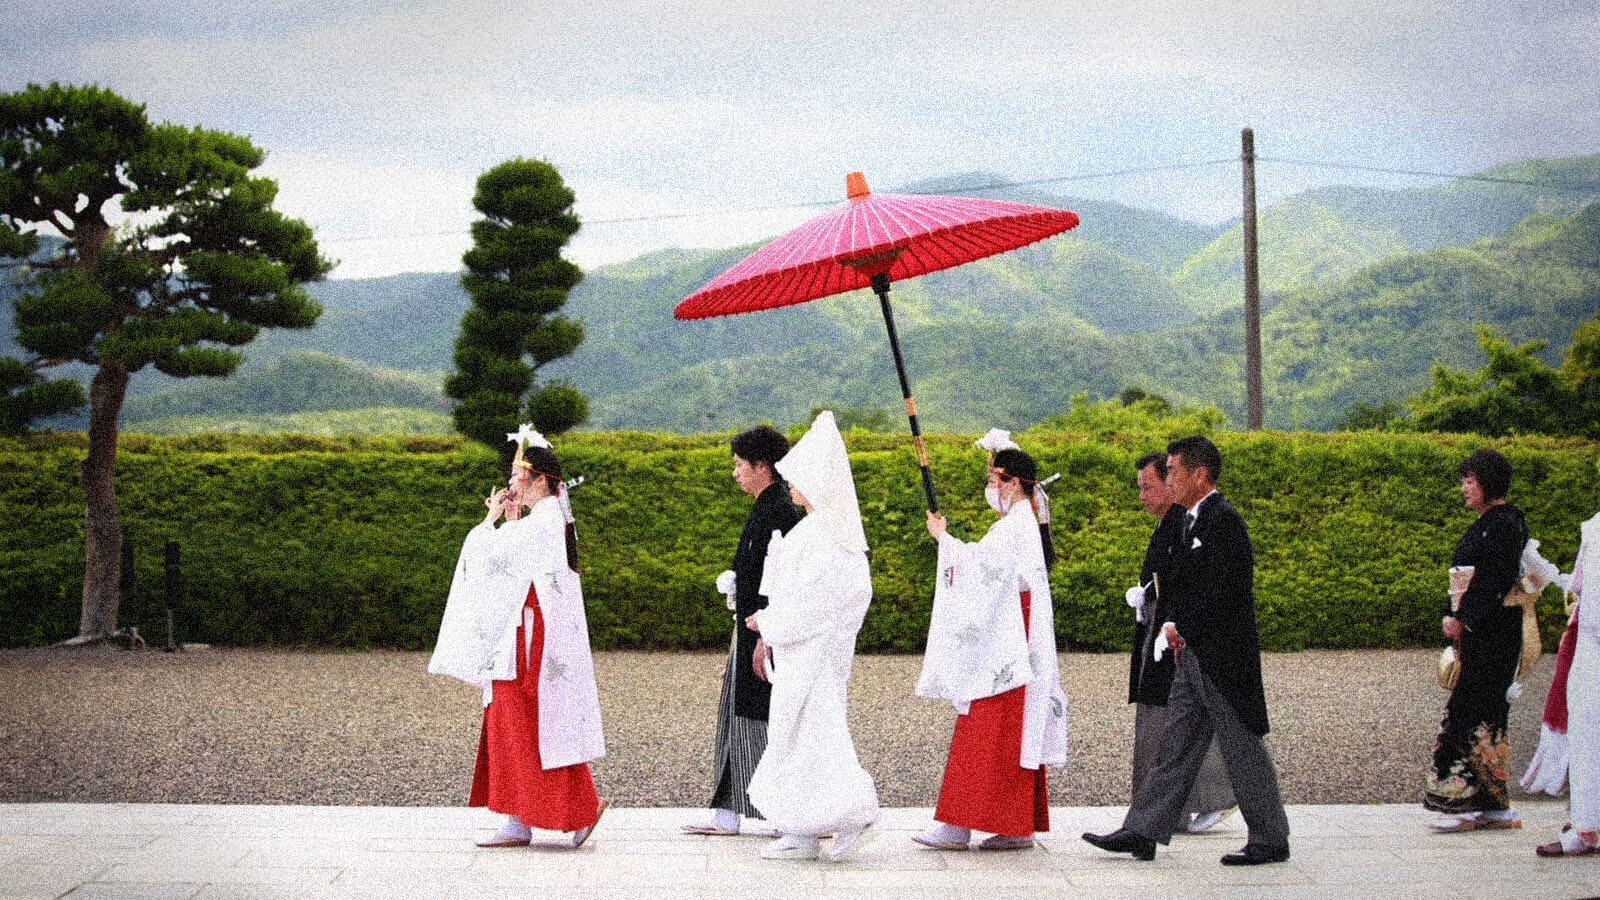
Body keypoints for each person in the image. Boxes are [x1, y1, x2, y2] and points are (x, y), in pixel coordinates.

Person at [1084, 436, 1291, 866]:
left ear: (1199, 475)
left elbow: (1226, 593)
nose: (1170, 477)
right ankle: (1142, 830)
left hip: (1223, 658)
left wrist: (1183, 626)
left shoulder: (1224, 522)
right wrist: (1174, 627)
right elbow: (1183, 585)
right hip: (1192, 653)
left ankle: (1271, 837)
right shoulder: (1191, 523)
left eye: (1174, 470)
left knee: (1241, 747)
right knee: (1175, 748)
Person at [429, 426, 607, 849]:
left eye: (519, 477)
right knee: (520, 720)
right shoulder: (550, 519)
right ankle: (521, 816)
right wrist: (507, 522)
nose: (512, 486)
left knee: (521, 719)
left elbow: (491, 556)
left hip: (527, 636)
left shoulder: (545, 519)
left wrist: (489, 522)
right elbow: (513, 559)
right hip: (526, 630)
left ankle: (561, 812)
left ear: (540, 480)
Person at [914, 430, 1069, 852]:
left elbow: (978, 569)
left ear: (1012, 483)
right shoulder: (1020, 525)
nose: (990, 487)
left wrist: (944, 541)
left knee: (985, 724)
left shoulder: (1016, 526)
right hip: (1011, 632)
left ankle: (961, 825)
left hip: (1007, 638)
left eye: (994, 479)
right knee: (1006, 729)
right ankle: (1013, 824)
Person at [744, 411, 880, 861]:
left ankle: (850, 814)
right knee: (797, 738)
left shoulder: (832, 537)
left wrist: (771, 623)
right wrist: (773, 620)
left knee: (819, 738)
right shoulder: (816, 531)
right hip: (801, 654)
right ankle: (801, 826)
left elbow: (827, 601)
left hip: (815, 655)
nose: (791, 483)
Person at [683, 425, 801, 837]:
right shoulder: (767, 506)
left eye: (739, 464)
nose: (735, 472)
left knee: (760, 718)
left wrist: (767, 635)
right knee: (738, 714)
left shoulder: (781, 511)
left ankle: (773, 807)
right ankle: (729, 810)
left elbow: (786, 580)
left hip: (766, 633)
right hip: (751, 627)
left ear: (761, 466)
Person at [1125, 452, 1236, 834]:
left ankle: (1168, 809)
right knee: (1177, 720)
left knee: (1180, 721)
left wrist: (1171, 622)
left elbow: (1190, 581)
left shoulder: (1191, 523)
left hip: (1175, 632)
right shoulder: (1173, 522)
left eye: (1150, 486)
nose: (1144, 495)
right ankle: (1162, 811)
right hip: (1163, 624)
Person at [1424, 448, 1528, 832]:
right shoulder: (1493, 523)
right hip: (1483, 631)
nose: (1465, 489)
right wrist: (1454, 615)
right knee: (1488, 715)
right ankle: (1493, 805)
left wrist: (1463, 619)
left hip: (1492, 633)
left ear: (1488, 484)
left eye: (1470, 481)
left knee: (1471, 711)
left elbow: (1494, 582)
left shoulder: (1504, 525)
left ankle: (1463, 804)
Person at [1532, 509, 1599, 857]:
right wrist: (1538, 565)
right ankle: (1586, 826)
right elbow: (1578, 583)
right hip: (1591, 640)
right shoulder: (1594, 526)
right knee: (1586, 732)